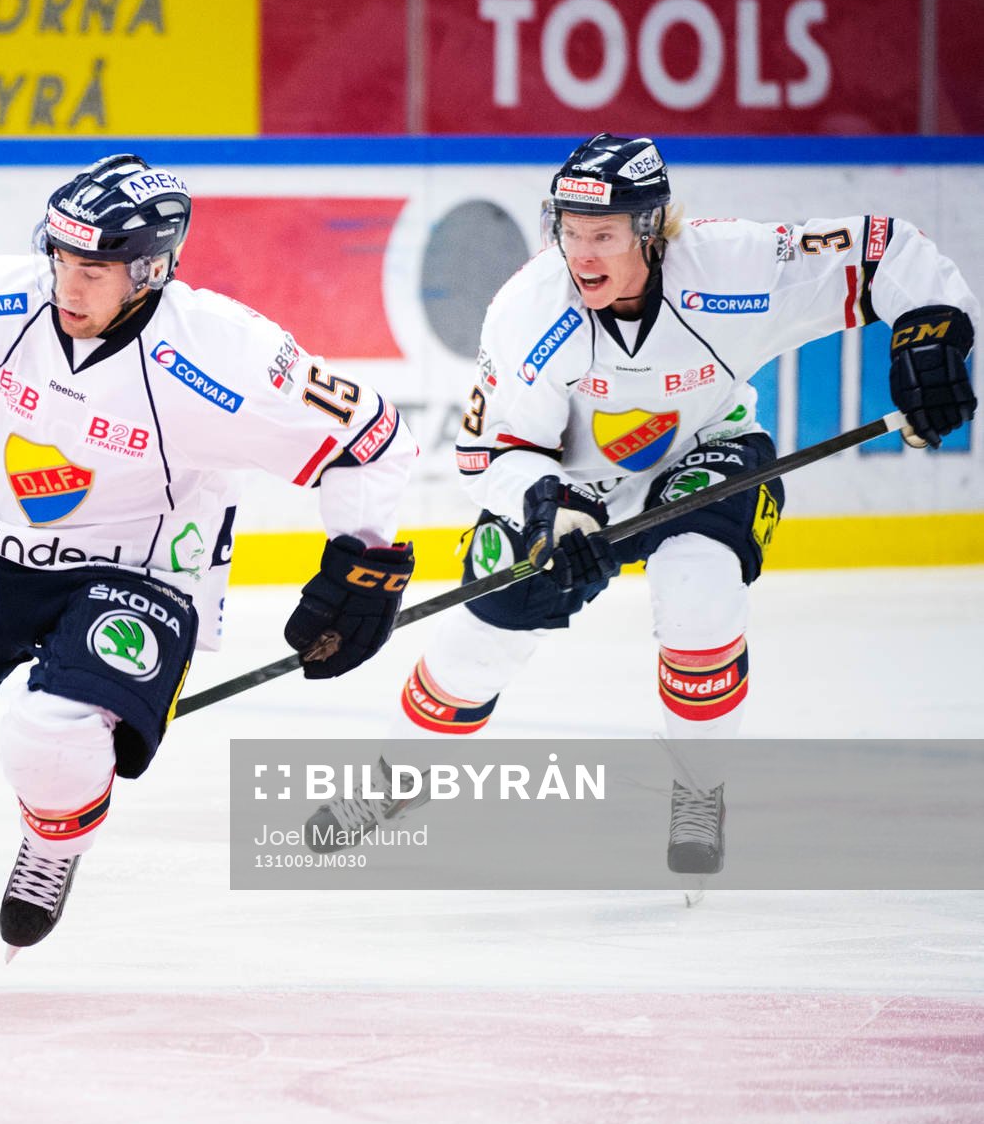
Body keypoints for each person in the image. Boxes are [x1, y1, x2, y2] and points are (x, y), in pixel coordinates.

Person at [0, 154, 419, 978]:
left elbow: (371, 440)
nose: (69, 283)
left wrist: (360, 562)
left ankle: (52, 845)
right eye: (59, 256)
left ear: (150, 269)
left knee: (50, 738)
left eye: (94, 267)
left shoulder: (225, 352)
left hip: (138, 569)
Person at [321, 134, 976, 874]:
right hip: (570, 488)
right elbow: (487, 455)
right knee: (479, 645)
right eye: (567, 232)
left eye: (601, 234)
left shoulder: (735, 263)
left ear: (650, 228)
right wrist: (550, 513)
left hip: (707, 453)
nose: (581, 254)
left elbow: (885, 250)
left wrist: (928, 338)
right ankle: (393, 777)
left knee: (698, 587)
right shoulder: (527, 309)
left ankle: (698, 791)